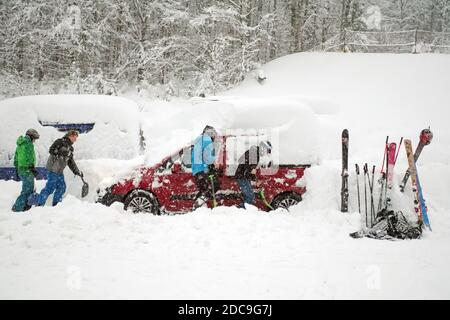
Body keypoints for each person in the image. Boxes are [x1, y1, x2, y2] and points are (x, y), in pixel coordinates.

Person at [36, 130, 83, 207]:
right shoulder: (59, 142)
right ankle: (39, 204)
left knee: (62, 187)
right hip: (53, 168)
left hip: (59, 171)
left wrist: (77, 171)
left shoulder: (70, 148)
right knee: (50, 188)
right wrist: (62, 152)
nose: (75, 139)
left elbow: (71, 162)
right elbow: (51, 150)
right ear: (70, 135)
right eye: (75, 137)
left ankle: (56, 205)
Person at [234, 140, 272, 209]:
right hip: (242, 177)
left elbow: (250, 167)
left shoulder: (255, 153)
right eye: (267, 151)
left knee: (250, 197)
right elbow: (242, 162)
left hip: (245, 177)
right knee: (250, 198)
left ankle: (241, 211)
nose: (267, 153)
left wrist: (255, 180)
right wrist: (250, 169)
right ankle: (238, 211)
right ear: (263, 148)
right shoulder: (253, 152)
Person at [12, 129, 40, 212]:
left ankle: (26, 205)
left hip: (21, 169)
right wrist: (32, 167)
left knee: (27, 188)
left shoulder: (20, 144)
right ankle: (17, 207)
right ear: (31, 137)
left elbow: (16, 158)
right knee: (27, 190)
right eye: (34, 138)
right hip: (27, 170)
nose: (34, 140)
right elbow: (29, 157)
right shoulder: (28, 144)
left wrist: (17, 169)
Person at [191, 125, 220, 208]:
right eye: (214, 135)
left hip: (196, 170)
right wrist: (214, 161)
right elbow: (207, 158)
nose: (214, 137)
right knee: (215, 185)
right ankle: (198, 203)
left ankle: (197, 207)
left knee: (203, 190)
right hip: (203, 169)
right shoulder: (207, 140)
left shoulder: (198, 140)